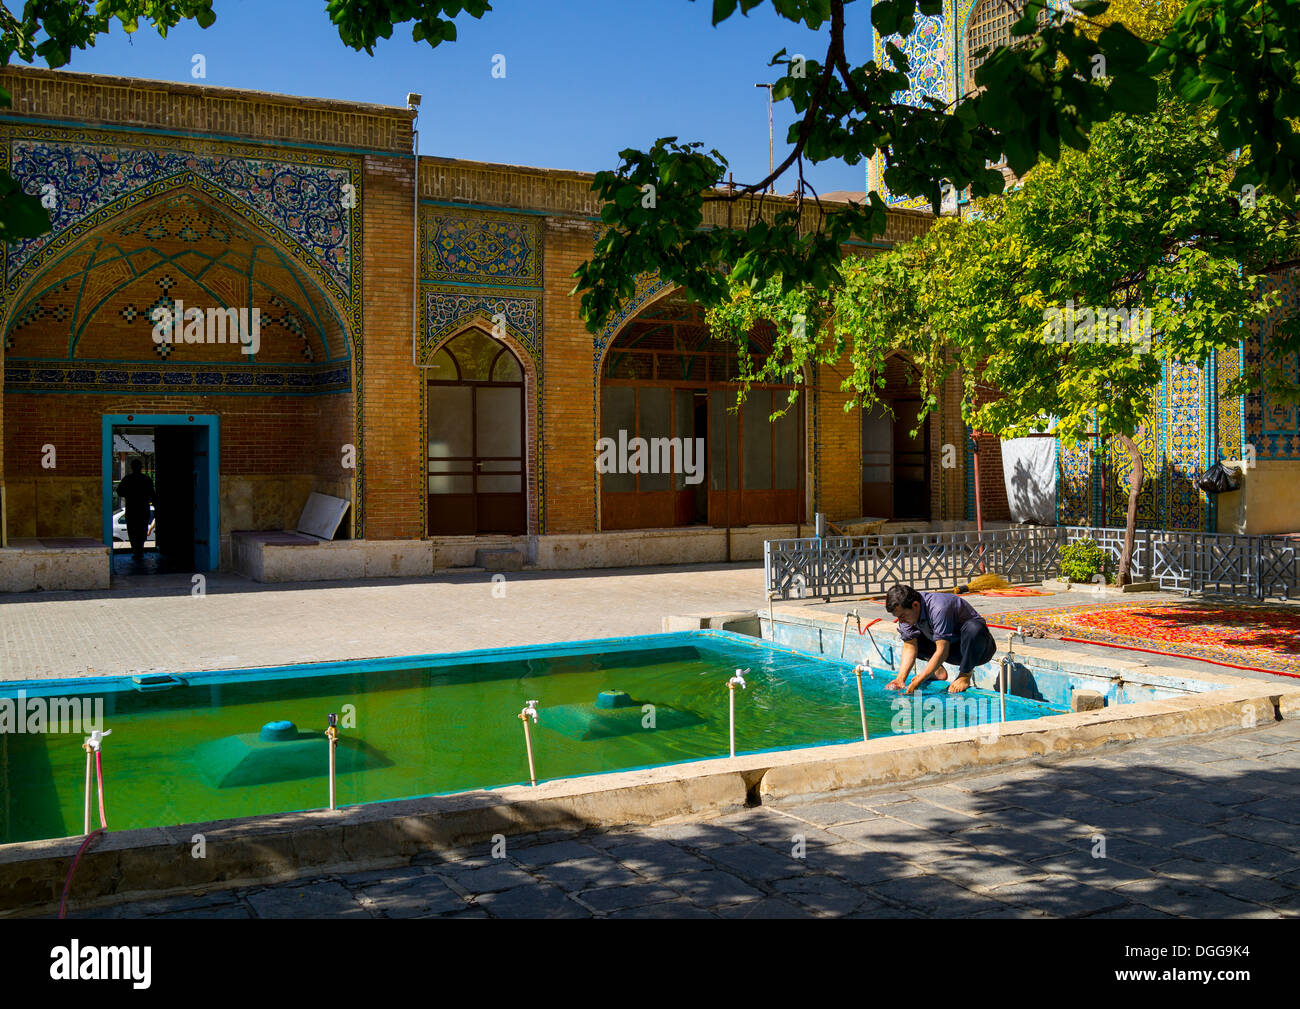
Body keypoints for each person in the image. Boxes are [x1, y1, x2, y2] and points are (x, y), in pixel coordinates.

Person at [883, 583, 997, 695]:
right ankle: (937, 672)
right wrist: (900, 679)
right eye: (898, 617)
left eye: (902, 616)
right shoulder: (907, 615)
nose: (900, 621)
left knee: (973, 628)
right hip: (950, 650)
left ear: (915, 605)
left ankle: (965, 675)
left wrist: (920, 680)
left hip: (977, 651)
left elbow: (942, 651)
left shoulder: (939, 608)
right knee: (911, 636)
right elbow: (909, 646)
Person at [116, 459, 155, 560]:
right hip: (143, 509)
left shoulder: (127, 479)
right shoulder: (146, 479)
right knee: (141, 531)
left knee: (132, 531)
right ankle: (140, 550)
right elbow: (152, 494)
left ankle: (136, 550)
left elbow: (120, 492)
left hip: (132, 509)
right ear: (141, 467)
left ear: (131, 467)